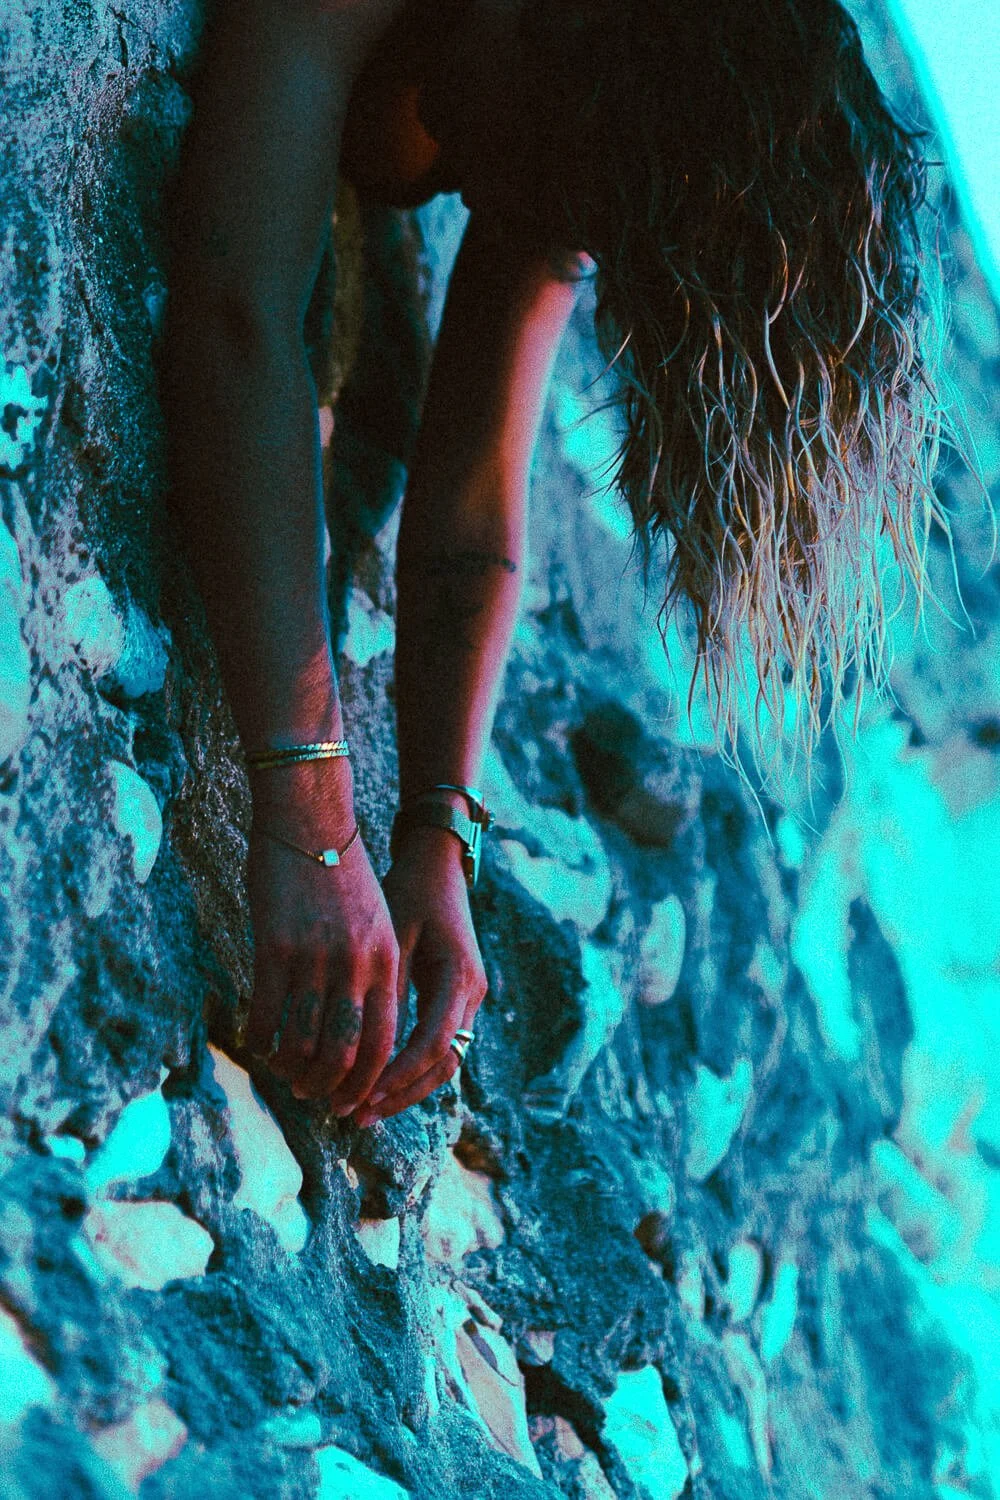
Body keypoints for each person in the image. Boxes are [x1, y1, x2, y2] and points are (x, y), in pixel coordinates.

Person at [155, 0, 947, 1128]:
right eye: (534, 166)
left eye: (571, 220)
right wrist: (310, 820)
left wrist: (441, 838)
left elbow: (472, 517)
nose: (506, 210)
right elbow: (236, 325)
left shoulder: (565, 103)